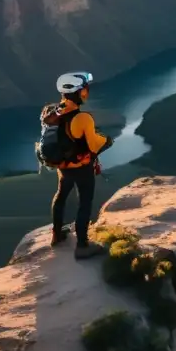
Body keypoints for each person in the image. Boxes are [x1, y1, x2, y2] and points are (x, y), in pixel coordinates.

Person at [43, 71, 113, 259]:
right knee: (85, 202)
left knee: (61, 195)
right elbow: (93, 145)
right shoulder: (82, 118)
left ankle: (57, 235)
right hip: (82, 168)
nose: (86, 93)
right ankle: (82, 245)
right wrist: (107, 140)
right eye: (84, 90)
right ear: (77, 92)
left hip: (63, 167)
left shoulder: (52, 113)